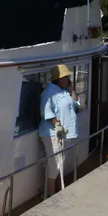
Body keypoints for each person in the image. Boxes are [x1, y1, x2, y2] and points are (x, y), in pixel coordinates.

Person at [39, 64, 80, 196]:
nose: (68, 78)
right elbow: (47, 113)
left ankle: (57, 190)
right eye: (66, 77)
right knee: (55, 165)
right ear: (59, 78)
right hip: (53, 134)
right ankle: (50, 194)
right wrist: (58, 126)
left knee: (60, 163)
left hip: (65, 134)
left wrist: (71, 89)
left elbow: (75, 103)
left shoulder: (64, 91)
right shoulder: (48, 93)